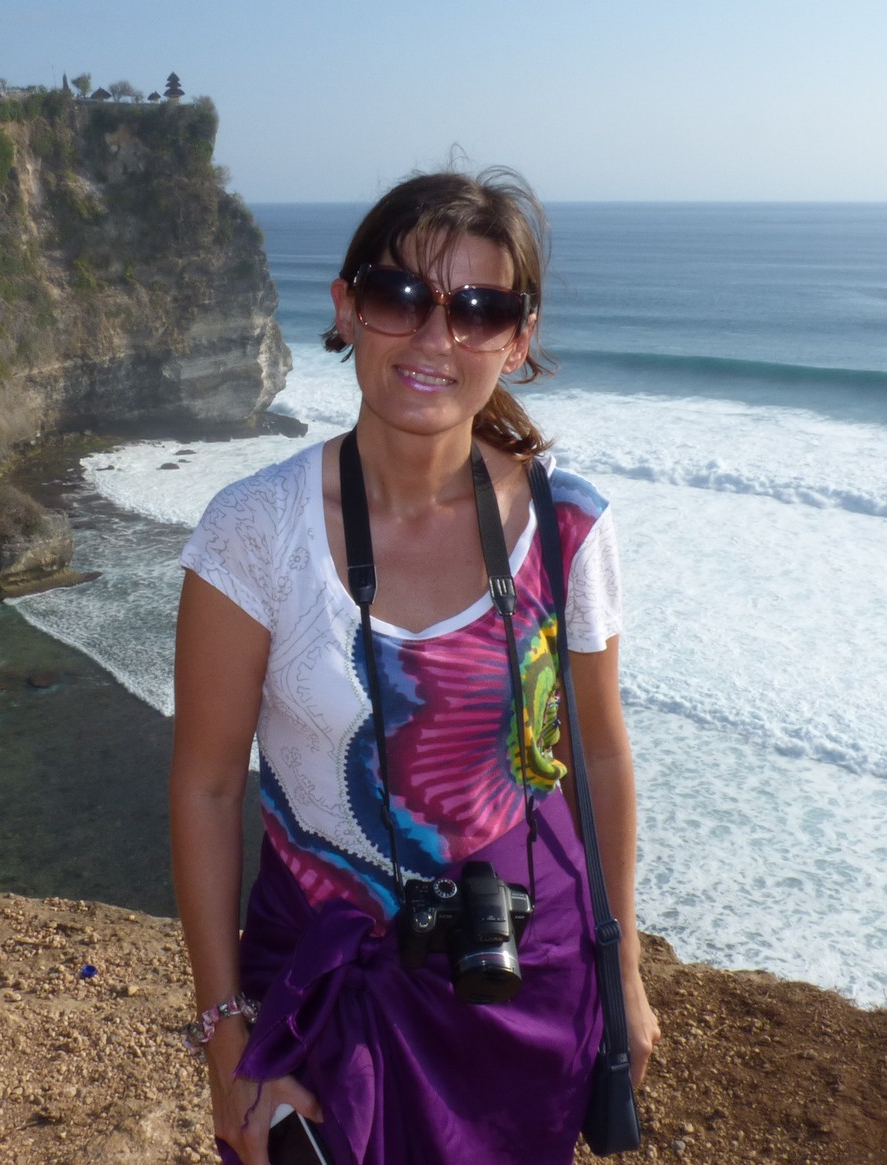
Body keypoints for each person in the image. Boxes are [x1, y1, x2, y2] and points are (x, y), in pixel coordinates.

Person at [169, 169, 659, 1165]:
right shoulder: (255, 530)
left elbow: (601, 757)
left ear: (516, 340)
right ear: (346, 308)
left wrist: (624, 972)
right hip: (323, 998)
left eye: (479, 311)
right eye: (400, 297)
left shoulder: (567, 526)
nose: (436, 339)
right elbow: (208, 786)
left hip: (525, 981)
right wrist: (223, 1026)